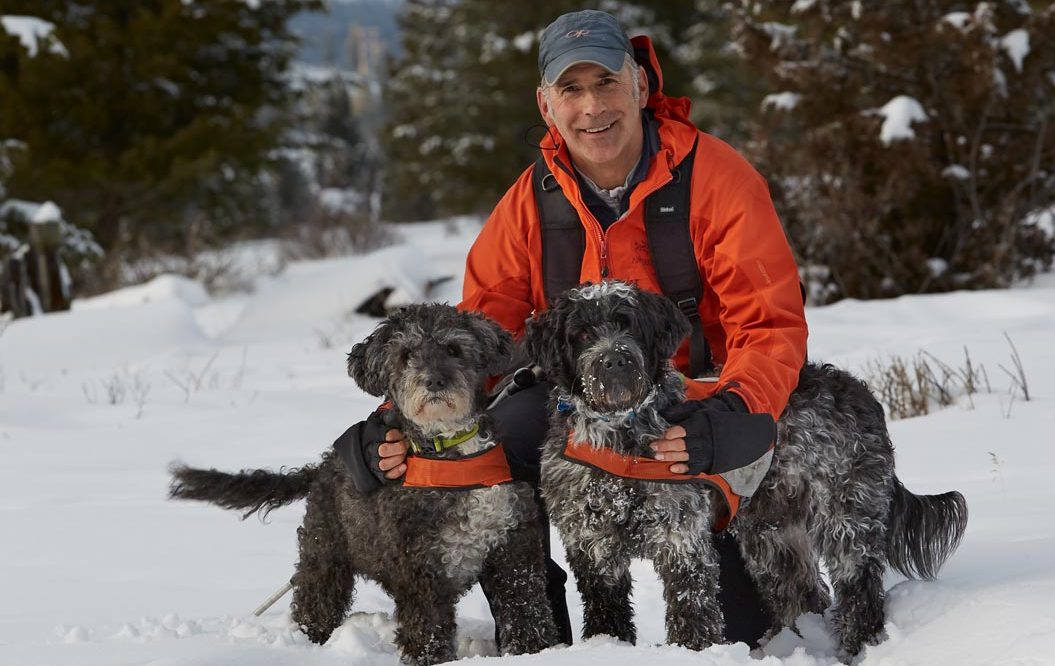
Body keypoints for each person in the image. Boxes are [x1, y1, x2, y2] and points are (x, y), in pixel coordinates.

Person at [337, 9, 808, 648]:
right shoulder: (530, 202)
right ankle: (540, 630)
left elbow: (769, 324)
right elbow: (481, 339)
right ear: (546, 102)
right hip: (572, 405)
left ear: (641, 85)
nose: (592, 107)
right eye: (571, 89)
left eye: (606, 82)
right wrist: (396, 422)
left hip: (696, 404)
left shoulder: (717, 180)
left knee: (741, 629)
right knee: (500, 436)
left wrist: (737, 410)